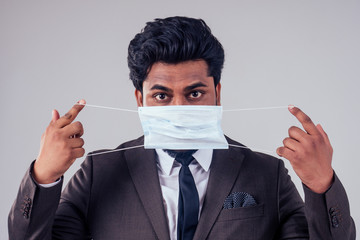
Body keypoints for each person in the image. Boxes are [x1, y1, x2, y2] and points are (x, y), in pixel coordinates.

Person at [8, 16, 355, 240]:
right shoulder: (100, 172)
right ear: (140, 99)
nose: (179, 107)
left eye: (194, 93)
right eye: (161, 95)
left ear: (217, 94)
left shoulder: (267, 173)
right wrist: (44, 176)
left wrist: (321, 182)